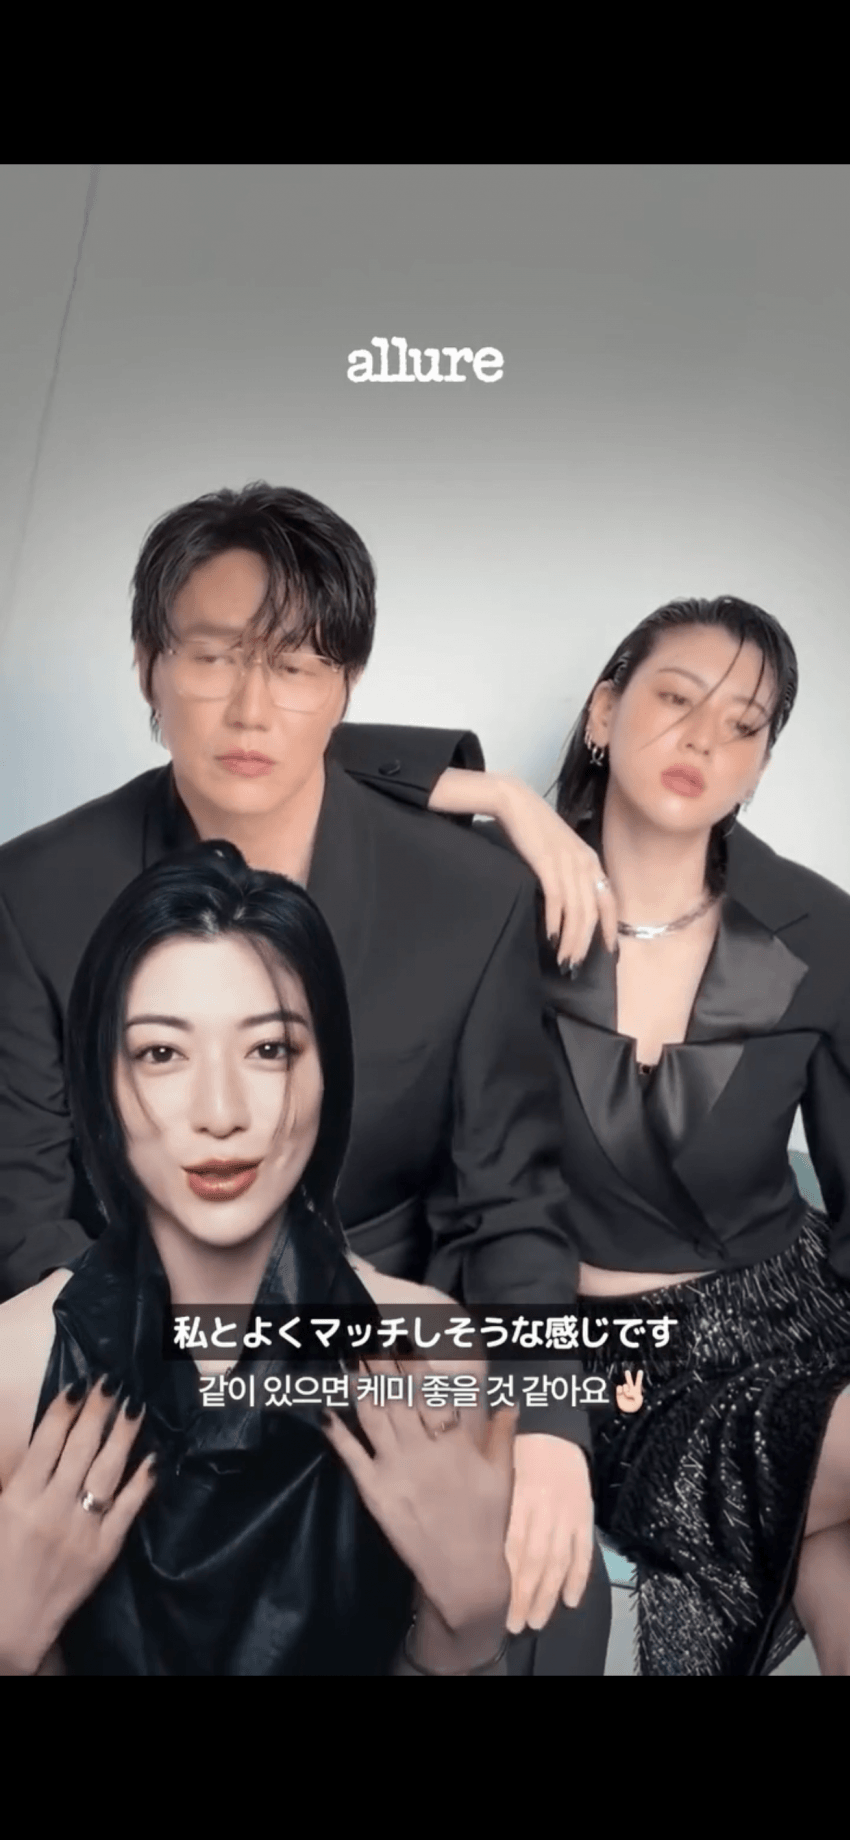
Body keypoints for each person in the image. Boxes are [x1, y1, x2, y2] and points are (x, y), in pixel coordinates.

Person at [0, 483, 610, 1664]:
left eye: (294, 665)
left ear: (345, 685)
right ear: (147, 665)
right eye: (211, 656)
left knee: (541, 1590)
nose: (249, 707)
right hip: (133, 1347)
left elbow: (512, 1204)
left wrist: (547, 1420)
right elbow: (26, 1209)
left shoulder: (472, 900)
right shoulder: (35, 894)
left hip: (381, 1349)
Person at [343, 595, 850, 1676]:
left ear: (760, 766)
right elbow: (300, 766)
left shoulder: (822, 928)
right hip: (610, 1367)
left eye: (743, 725)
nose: (704, 739)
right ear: (604, 713)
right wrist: (502, 801)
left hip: (795, 1317)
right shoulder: (486, 897)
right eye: (676, 700)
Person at [0, 843, 524, 1676]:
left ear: (329, 1075)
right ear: (101, 1085)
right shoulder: (14, 1370)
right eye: (162, 1053)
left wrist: (467, 1629)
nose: (222, 1112)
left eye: (270, 1050)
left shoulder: (428, 1353)